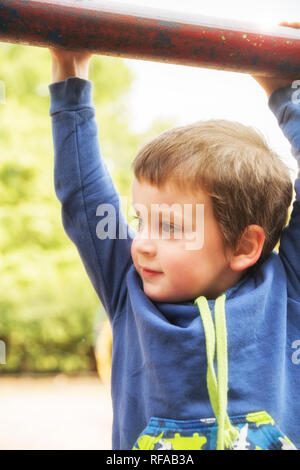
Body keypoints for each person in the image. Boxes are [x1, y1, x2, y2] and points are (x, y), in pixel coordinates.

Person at [48, 22, 300, 450]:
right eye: (141, 220)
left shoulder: (285, 292)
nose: (142, 242)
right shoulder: (130, 290)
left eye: (169, 225)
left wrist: (284, 97)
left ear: (243, 245)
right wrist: (69, 71)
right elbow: (83, 197)